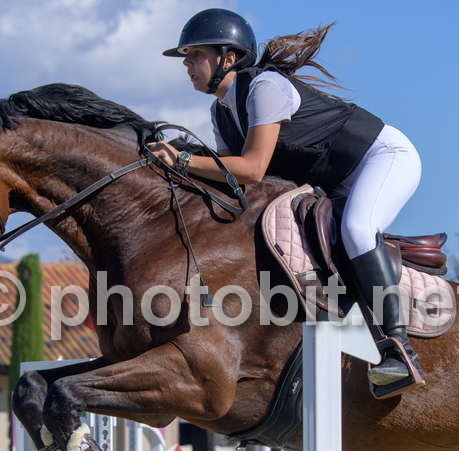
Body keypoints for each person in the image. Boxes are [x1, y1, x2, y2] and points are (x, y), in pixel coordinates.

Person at [150, 8, 424, 386]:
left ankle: (398, 347)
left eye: (196, 54)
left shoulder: (265, 88)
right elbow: (233, 181)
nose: (187, 63)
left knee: (357, 230)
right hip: (336, 180)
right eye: (186, 57)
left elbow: (252, 168)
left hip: (383, 158)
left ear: (228, 58)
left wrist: (182, 159)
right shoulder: (221, 112)